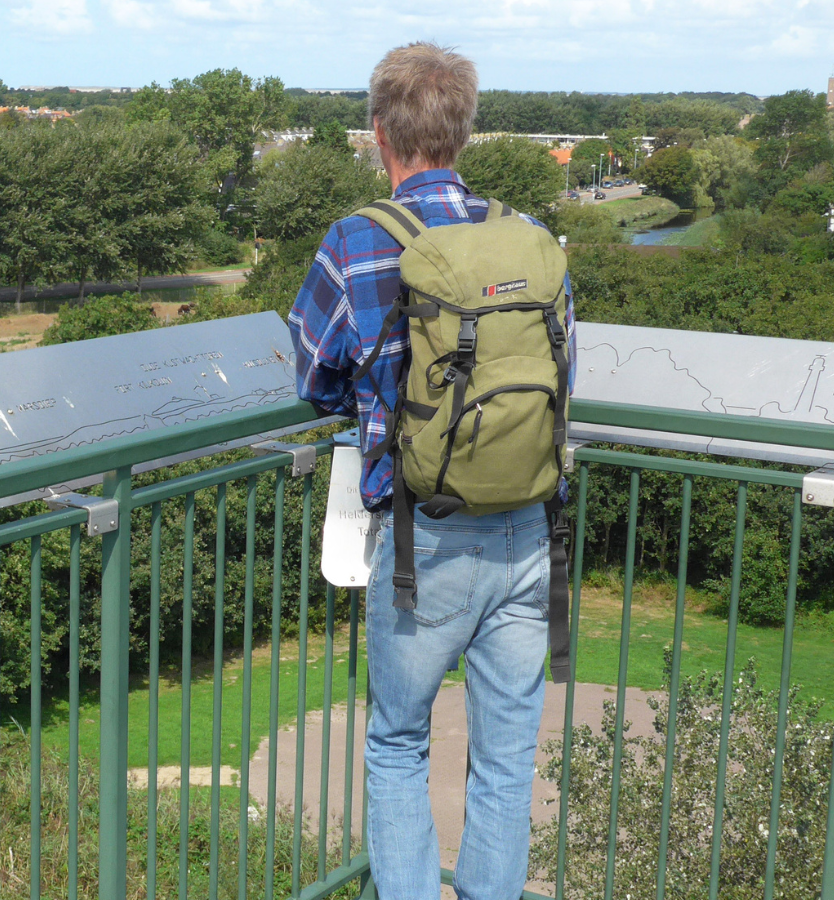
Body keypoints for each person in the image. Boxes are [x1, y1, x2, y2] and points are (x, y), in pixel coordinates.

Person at [287, 42, 576, 900]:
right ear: (463, 132)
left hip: (424, 545)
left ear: (381, 134)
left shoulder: (356, 243)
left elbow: (312, 377)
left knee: (398, 742)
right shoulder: (529, 242)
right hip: (530, 532)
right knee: (504, 756)